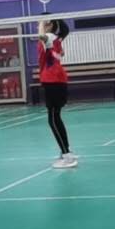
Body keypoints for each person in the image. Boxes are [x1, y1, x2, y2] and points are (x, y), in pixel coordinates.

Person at [39, 19, 76, 169]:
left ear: (49, 25)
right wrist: (56, 18)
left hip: (52, 81)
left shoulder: (49, 37)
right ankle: (66, 151)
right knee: (56, 118)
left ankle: (67, 156)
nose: (38, 24)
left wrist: (42, 31)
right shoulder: (57, 38)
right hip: (58, 80)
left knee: (53, 120)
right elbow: (65, 30)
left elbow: (44, 37)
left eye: (41, 22)